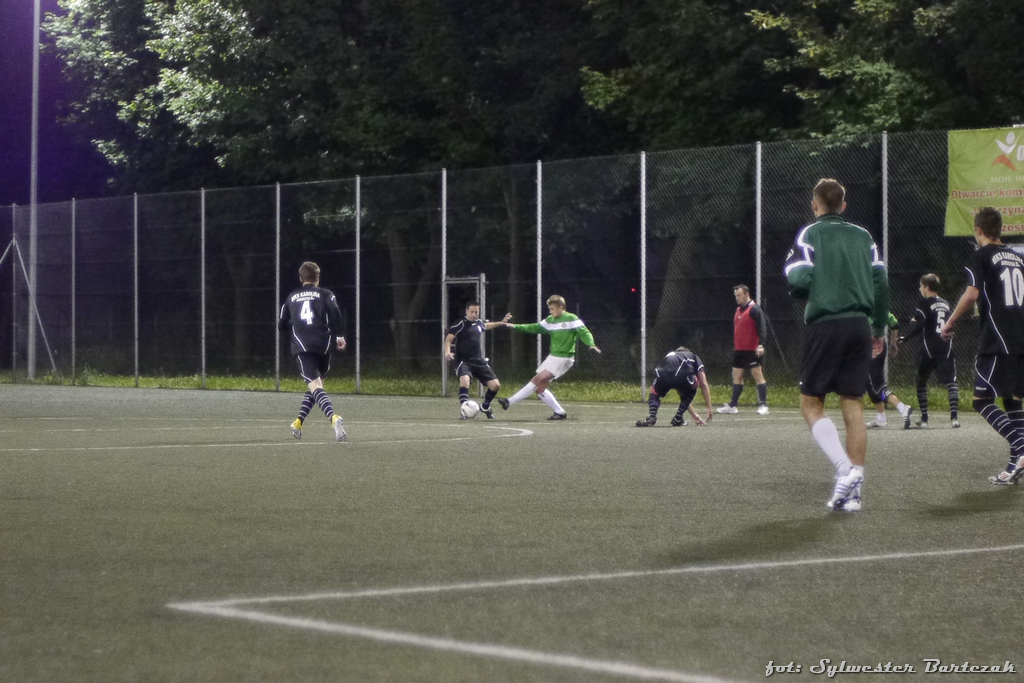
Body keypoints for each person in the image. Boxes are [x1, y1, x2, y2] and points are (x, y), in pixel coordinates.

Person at [784, 178, 889, 512]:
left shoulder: (810, 233)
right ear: (843, 205)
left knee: (811, 403)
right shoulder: (864, 236)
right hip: (860, 325)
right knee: (853, 404)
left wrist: (807, 290)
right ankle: (854, 494)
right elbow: (881, 282)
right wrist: (878, 327)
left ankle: (845, 470)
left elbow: (798, 278)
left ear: (815, 205)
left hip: (826, 325)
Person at [940, 208, 1024, 484]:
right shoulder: (1018, 258)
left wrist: (950, 321)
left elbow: (972, 293)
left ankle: (1022, 448)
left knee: (982, 401)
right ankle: (1013, 467)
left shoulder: (981, 255)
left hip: (998, 338)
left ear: (978, 230)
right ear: (1000, 229)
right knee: (1013, 401)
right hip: (1020, 337)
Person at [498, 294, 601, 420]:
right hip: (553, 357)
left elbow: (584, 332)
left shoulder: (571, 318)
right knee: (540, 389)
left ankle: (509, 401)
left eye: (552, 309)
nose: (550, 311)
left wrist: (591, 344)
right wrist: (515, 326)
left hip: (564, 358)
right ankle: (560, 412)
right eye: (550, 309)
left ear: (561, 307)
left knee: (538, 379)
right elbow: (534, 327)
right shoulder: (550, 320)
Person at [278, 261, 348, 442]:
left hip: (303, 346)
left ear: (301, 278)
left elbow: (281, 325)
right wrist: (339, 335)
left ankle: (333, 418)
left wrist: (295, 323)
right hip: (323, 344)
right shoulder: (326, 294)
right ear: (318, 278)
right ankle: (298, 422)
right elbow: (335, 311)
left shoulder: (291, 297)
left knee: (315, 387)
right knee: (317, 386)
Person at [898, 273, 959, 428]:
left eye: (921, 286)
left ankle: (924, 419)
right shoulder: (946, 303)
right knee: (951, 382)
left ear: (927, 287)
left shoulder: (924, 303)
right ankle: (954, 418)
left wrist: (906, 337)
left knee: (921, 381)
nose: (920, 289)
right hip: (946, 346)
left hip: (929, 347)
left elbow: (920, 324)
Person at [444, 302, 511, 419]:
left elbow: (487, 325)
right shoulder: (460, 324)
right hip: (463, 361)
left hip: (478, 360)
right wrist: (447, 352)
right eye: (472, 312)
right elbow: (448, 339)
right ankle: (464, 410)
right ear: (466, 311)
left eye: (476, 312)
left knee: (495, 385)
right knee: (465, 380)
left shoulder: (479, 323)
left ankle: (485, 407)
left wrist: (502, 322)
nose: (474, 314)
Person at [717, 284, 770, 415]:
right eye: (736, 296)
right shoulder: (738, 310)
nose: (737, 298)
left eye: (739, 295)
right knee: (737, 376)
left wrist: (761, 345)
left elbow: (762, 328)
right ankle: (733, 406)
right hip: (739, 350)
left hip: (752, 350)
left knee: (758, 375)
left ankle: (763, 405)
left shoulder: (755, 310)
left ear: (747, 294)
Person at [636, 347, 713, 427]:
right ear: (687, 352)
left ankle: (652, 416)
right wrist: (709, 408)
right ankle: (678, 418)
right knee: (694, 384)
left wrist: (694, 415)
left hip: (663, 374)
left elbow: (680, 391)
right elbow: (703, 383)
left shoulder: (670, 356)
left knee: (654, 391)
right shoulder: (693, 356)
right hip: (682, 376)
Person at [865, 311, 914, 429]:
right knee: (870, 382)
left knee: (877, 385)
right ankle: (881, 417)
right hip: (881, 345)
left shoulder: (863, 307)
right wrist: (893, 343)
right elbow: (894, 323)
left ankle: (902, 407)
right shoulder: (880, 307)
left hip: (870, 348)